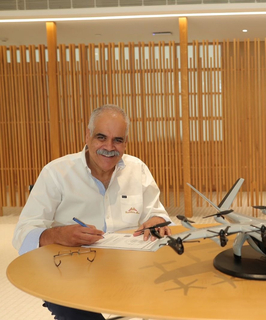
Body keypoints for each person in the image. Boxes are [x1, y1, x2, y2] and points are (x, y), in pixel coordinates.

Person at [12, 104, 172, 320]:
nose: (109, 146)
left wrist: (156, 220)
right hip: (69, 274)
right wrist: (57, 235)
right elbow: (23, 232)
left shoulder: (137, 169)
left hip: (130, 268)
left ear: (126, 142)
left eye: (118, 140)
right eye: (101, 137)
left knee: (170, 301)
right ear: (87, 136)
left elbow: (156, 212)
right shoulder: (56, 173)